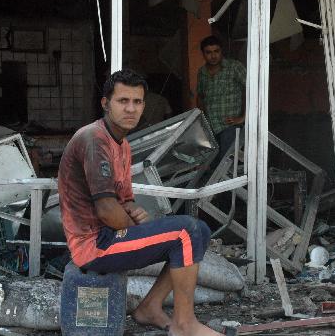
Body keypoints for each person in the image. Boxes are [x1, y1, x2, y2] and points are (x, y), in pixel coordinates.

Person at [58, 69, 221, 336]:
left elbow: (123, 201)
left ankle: (150, 308)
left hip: (109, 234)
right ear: (105, 103)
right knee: (186, 231)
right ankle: (184, 324)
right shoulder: (94, 140)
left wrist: (135, 211)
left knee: (199, 231)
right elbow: (107, 210)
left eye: (137, 102)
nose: (131, 109)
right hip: (94, 245)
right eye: (123, 101)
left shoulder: (121, 143)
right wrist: (134, 229)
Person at [196, 36, 246, 166]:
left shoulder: (234, 67)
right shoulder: (202, 72)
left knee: (228, 165)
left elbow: (251, 89)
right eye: (209, 52)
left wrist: (243, 116)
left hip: (230, 127)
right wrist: (202, 120)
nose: (213, 56)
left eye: (216, 51)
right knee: (213, 165)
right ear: (203, 54)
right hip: (211, 128)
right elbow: (200, 96)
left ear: (221, 51)